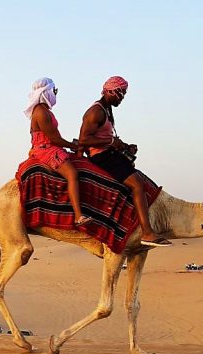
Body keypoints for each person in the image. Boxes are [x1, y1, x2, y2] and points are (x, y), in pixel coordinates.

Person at [79, 76, 171, 247]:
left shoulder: (106, 110)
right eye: (121, 94)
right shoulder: (96, 112)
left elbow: (105, 137)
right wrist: (111, 143)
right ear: (111, 91)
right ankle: (147, 232)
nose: (122, 98)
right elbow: (84, 140)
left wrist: (124, 146)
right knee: (137, 185)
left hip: (108, 152)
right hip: (101, 156)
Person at [24, 77, 89, 226]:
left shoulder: (45, 111)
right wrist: (73, 146)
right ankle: (78, 216)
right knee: (72, 173)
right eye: (54, 91)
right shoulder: (41, 112)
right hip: (45, 149)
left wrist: (72, 144)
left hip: (50, 146)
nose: (55, 94)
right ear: (46, 91)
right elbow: (54, 139)